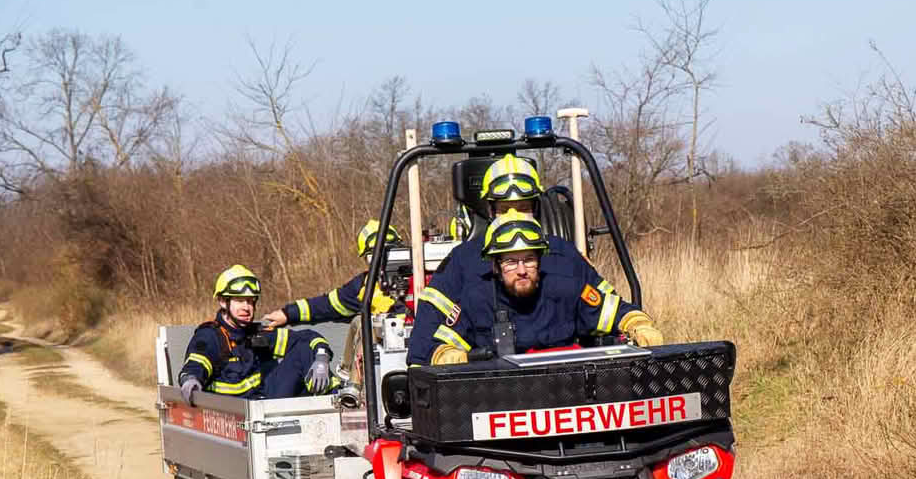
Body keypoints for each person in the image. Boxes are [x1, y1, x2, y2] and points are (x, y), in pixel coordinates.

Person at [409, 154, 644, 364]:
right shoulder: (462, 262)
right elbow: (426, 341)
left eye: (522, 208)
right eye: (504, 209)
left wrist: (635, 321)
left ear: (537, 208)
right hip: (488, 389)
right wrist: (443, 355)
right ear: (490, 211)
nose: (514, 217)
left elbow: (604, 308)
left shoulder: (564, 256)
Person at [416, 213, 663, 365]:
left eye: (529, 260)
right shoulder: (476, 298)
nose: (522, 270)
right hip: (503, 402)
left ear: (540, 260)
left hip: (567, 395)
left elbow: (615, 310)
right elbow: (440, 346)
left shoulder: (566, 286)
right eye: (511, 261)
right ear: (495, 265)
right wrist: (450, 356)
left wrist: (638, 324)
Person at [178, 265, 340, 402]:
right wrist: (191, 379)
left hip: (266, 406)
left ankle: (338, 400)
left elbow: (304, 338)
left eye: (250, 301)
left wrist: (321, 358)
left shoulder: (256, 334)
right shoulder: (210, 335)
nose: (246, 307)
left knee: (304, 349)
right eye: (240, 301)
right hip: (232, 415)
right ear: (222, 301)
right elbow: (196, 363)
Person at [261, 219, 407, 329]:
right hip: (385, 357)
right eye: (376, 255)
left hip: (422, 359)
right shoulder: (363, 288)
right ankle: (347, 369)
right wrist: (288, 314)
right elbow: (327, 305)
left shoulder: (425, 276)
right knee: (360, 324)